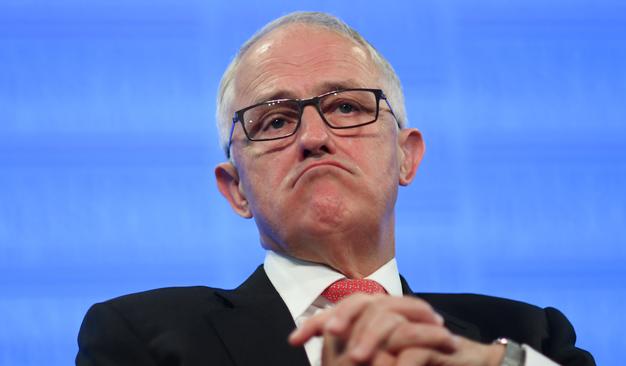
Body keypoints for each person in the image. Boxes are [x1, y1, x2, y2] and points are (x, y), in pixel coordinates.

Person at [76, 11, 595, 366]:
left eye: (347, 106)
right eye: (275, 120)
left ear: (407, 156)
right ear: (235, 188)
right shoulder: (141, 337)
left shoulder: (525, 334)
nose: (314, 137)